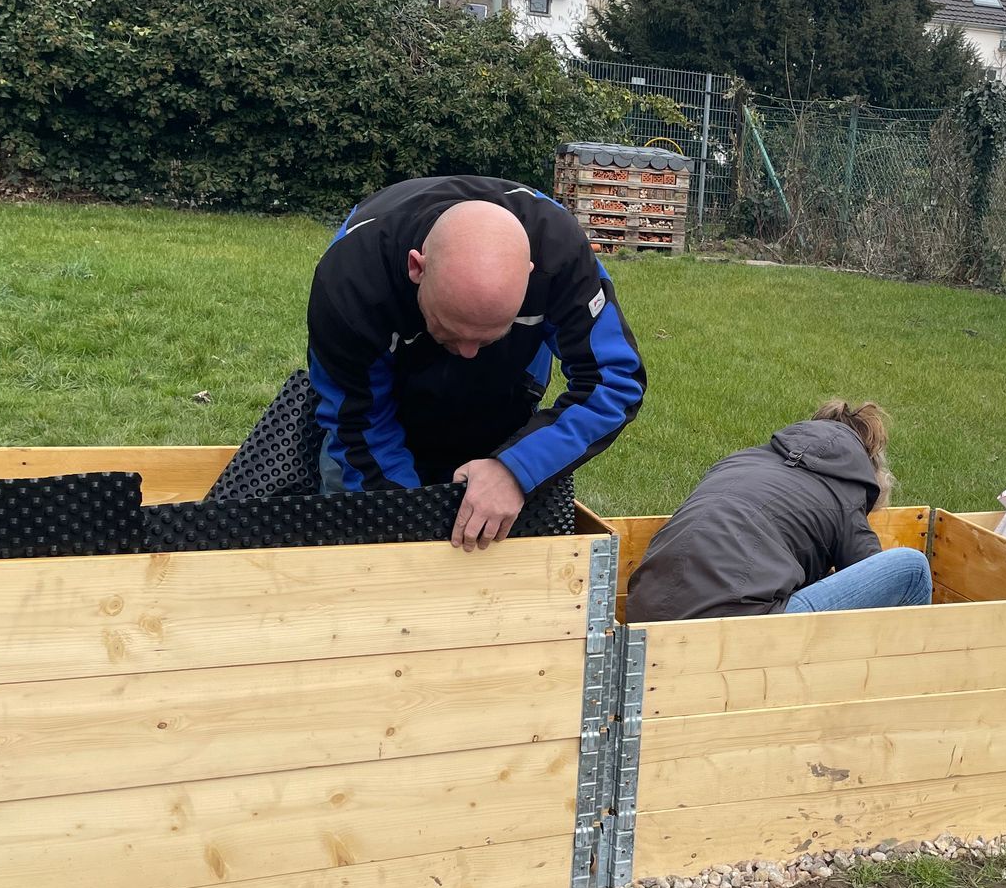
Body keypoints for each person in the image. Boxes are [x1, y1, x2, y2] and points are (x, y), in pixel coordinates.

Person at [307, 176, 646, 549]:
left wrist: (515, 469)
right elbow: (357, 423)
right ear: (417, 268)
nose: (468, 353)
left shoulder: (557, 253)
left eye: (489, 336)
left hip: (505, 403)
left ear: (529, 276)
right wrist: (406, 518)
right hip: (385, 414)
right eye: (449, 330)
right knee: (364, 544)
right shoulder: (350, 281)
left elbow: (614, 381)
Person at [625, 400, 933, 621]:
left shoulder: (742, 461)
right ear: (868, 463)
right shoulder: (846, 490)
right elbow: (872, 581)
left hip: (644, 615)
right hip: (735, 628)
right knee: (911, 569)